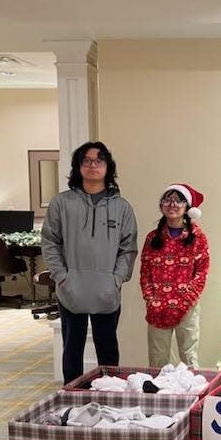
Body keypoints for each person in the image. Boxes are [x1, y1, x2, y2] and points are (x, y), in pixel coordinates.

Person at [41, 141, 138, 384]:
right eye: (86, 160)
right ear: (78, 166)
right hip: (71, 289)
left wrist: (116, 279)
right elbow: (50, 241)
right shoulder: (61, 203)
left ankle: (110, 396)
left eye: (99, 160)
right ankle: (72, 400)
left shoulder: (121, 207)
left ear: (108, 167)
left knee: (108, 351)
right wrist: (61, 276)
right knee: (71, 350)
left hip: (106, 291)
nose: (93, 165)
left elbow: (128, 248)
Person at [140, 183, 210, 368]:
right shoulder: (152, 238)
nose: (172, 204)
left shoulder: (198, 238)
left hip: (187, 307)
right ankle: (160, 397)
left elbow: (201, 273)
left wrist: (186, 300)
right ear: (161, 205)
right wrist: (150, 299)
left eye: (179, 200)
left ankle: (193, 397)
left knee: (189, 359)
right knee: (157, 360)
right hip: (157, 307)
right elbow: (145, 272)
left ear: (187, 207)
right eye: (167, 200)